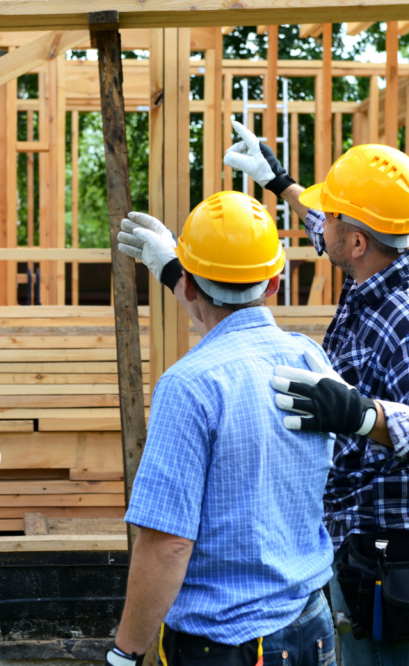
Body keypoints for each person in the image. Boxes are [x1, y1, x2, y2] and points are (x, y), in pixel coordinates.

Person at [225, 122, 409, 665]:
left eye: (334, 220)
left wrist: (360, 414)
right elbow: (327, 225)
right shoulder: (382, 258)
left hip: (396, 542)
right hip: (360, 529)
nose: (321, 227)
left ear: (359, 241)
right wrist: (280, 183)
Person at [105, 191, 337, 666]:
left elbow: (168, 544)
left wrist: (125, 653)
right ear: (275, 282)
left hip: (226, 645)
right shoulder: (309, 358)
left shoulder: (189, 386)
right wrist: (174, 268)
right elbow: (234, 322)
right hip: (311, 624)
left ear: (189, 287)